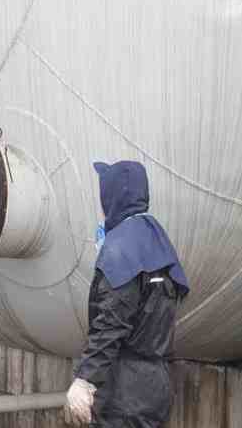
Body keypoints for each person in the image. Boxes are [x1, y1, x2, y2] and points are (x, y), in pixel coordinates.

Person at [64, 160, 189, 428]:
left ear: (113, 195)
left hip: (124, 390)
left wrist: (86, 379)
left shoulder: (121, 249)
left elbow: (111, 324)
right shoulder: (157, 239)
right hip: (156, 383)